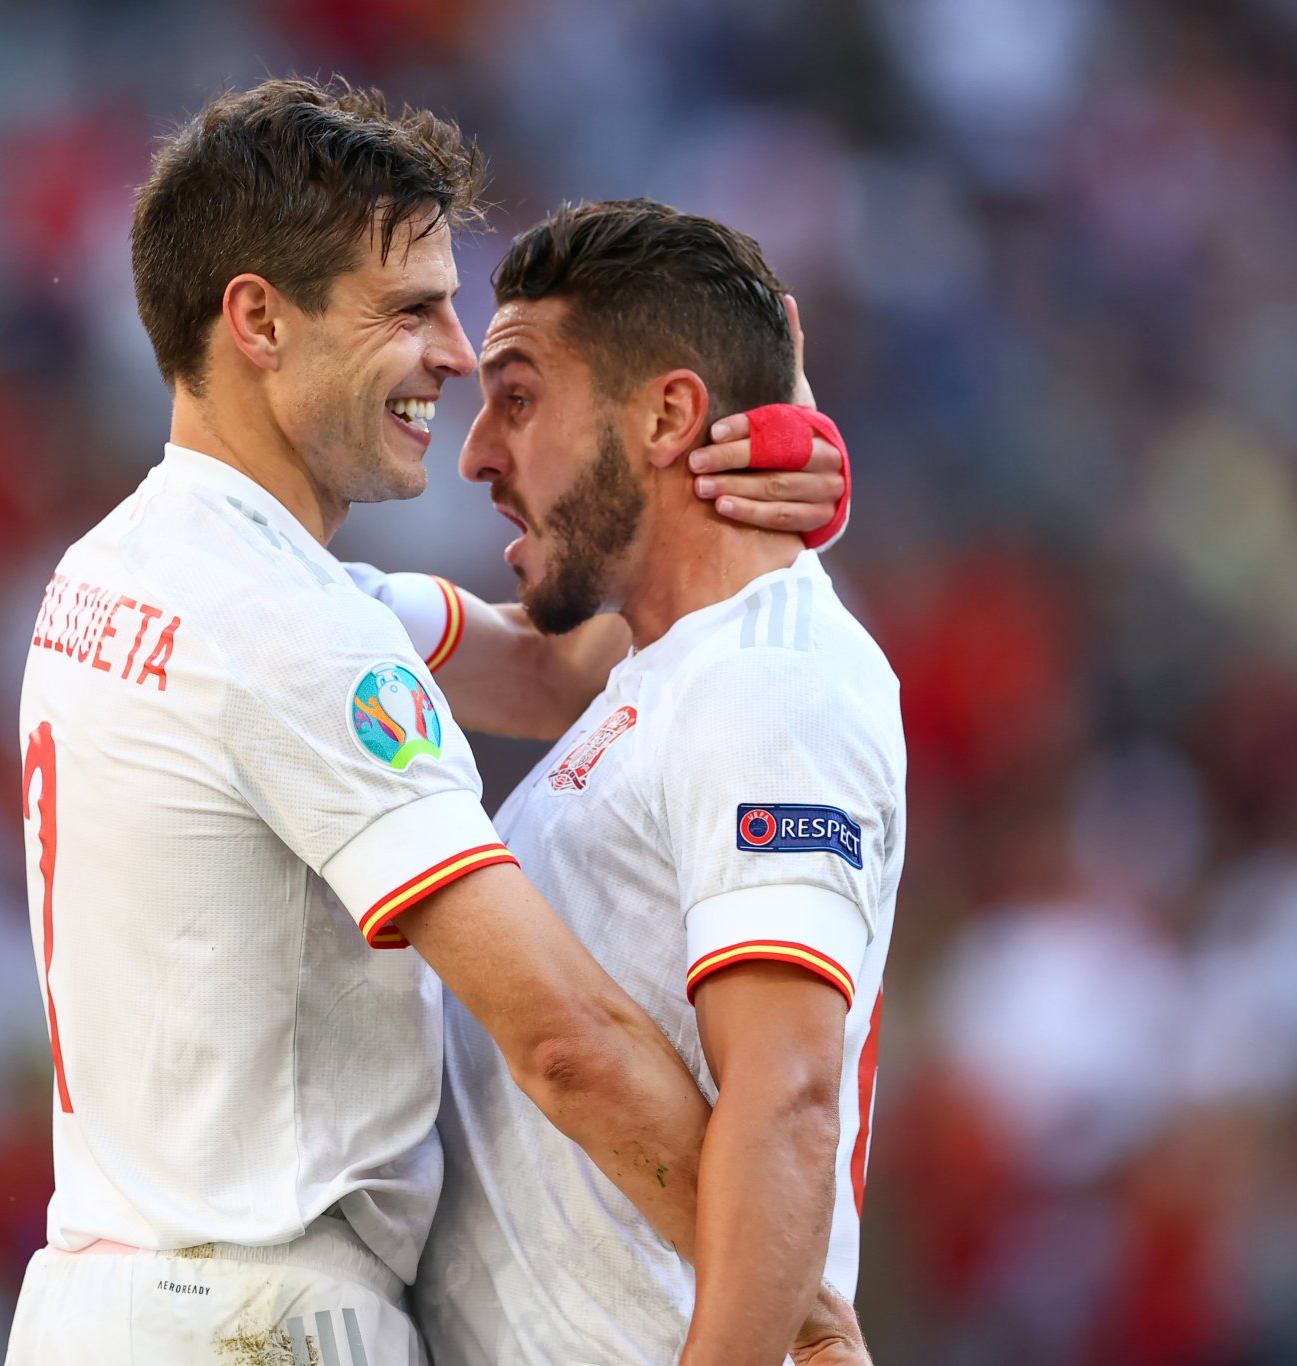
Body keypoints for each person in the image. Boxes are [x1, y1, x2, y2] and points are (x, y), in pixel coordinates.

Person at [2, 79, 847, 1364]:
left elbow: (556, 670)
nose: (455, 355)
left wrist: (732, 484)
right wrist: (791, 1312)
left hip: (103, 1300)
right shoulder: (290, 630)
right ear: (257, 321)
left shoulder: (130, 571)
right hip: (260, 1319)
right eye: (409, 310)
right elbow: (563, 1039)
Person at [385, 199, 907, 1366]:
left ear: (669, 413)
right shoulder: (663, 669)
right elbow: (499, 656)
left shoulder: (768, 682)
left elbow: (787, 1102)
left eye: (516, 397)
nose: (475, 451)